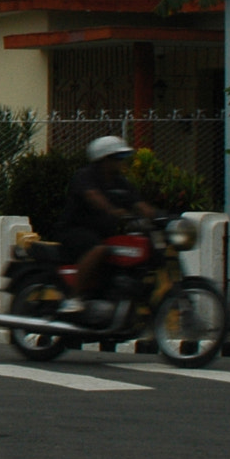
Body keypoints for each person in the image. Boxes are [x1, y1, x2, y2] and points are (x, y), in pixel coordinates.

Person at [54, 136, 160, 322]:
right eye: (116, 158)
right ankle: (73, 298)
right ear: (104, 159)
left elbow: (139, 203)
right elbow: (93, 196)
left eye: (122, 157)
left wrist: (162, 217)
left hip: (103, 233)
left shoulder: (121, 182)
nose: (121, 162)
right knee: (100, 249)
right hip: (75, 231)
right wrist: (113, 210)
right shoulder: (85, 176)